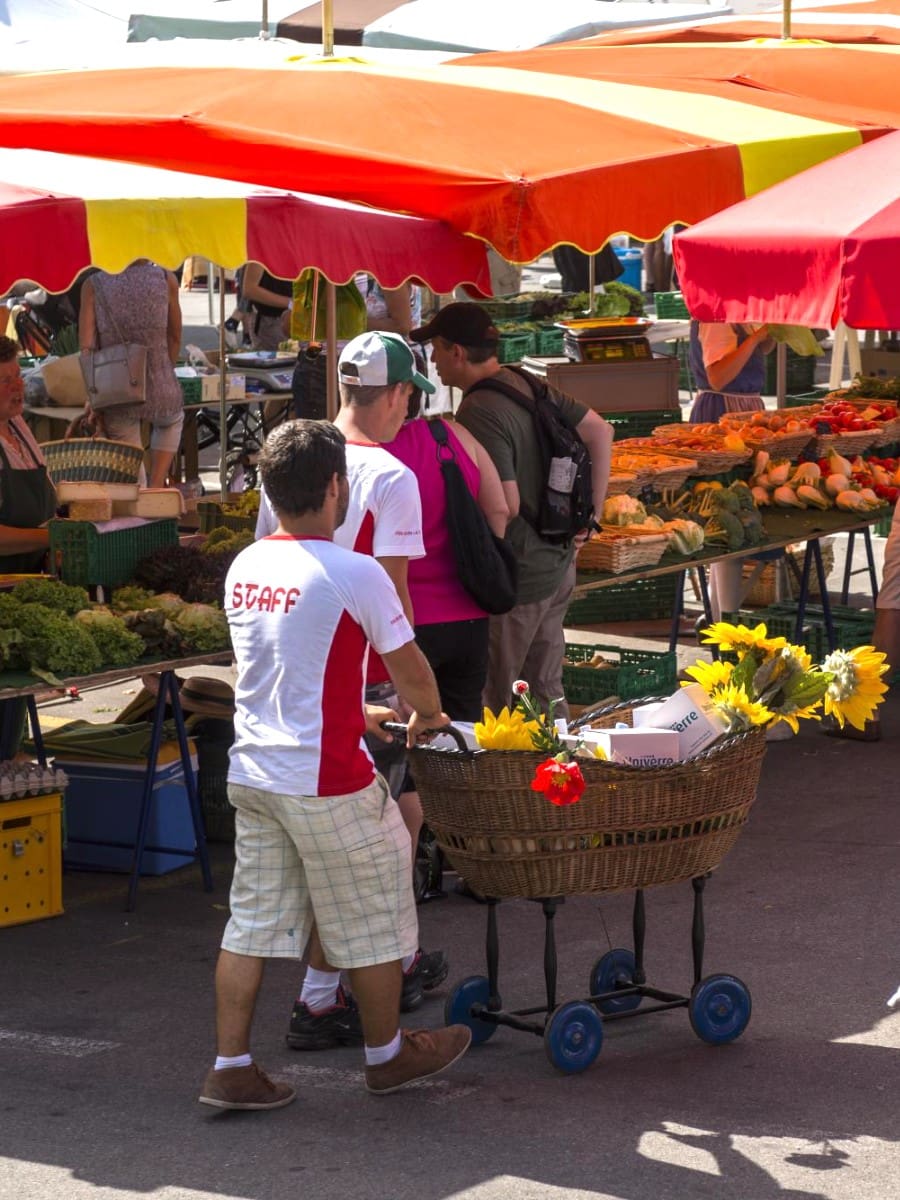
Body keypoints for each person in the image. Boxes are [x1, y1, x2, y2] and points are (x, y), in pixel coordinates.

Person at [199, 419, 470, 1110]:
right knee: (378, 910)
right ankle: (386, 1056)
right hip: (324, 777)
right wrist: (428, 716)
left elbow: (287, 669)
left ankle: (230, 1066)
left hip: (255, 769)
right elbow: (413, 676)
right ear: (333, 486)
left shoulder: (247, 564)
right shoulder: (357, 571)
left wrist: (358, 711)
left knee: (250, 925)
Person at [256, 332, 449, 1045]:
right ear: (396, 394)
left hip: (297, 669)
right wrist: (409, 690)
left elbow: (269, 555)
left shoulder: (291, 456)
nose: (408, 412)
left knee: (384, 824)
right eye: (408, 398)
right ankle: (333, 992)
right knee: (376, 836)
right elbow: (390, 591)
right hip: (363, 670)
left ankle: (390, 960)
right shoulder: (393, 476)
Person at [411, 302, 613, 716]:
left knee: (497, 699)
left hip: (520, 576)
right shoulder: (523, 380)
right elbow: (600, 429)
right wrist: (591, 515)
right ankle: (560, 770)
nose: (432, 359)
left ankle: (500, 778)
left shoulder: (479, 410)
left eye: (435, 348)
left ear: (457, 353)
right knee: (544, 686)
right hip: (557, 562)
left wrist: (487, 568)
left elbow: (506, 504)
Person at [389, 395, 509, 721]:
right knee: (462, 738)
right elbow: (501, 508)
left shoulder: (367, 453)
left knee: (407, 737)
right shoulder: (452, 434)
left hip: (404, 623)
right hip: (468, 617)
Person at [78, 260, 184, 488]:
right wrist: (165, 368)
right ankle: (156, 486)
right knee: (171, 421)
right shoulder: (167, 279)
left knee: (132, 474)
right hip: (162, 388)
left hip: (117, 392)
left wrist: (93, 396)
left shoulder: (94, 285)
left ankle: (142, 495)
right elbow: (175, 336)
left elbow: (87, 349)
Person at [0, 336, 56, 572]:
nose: (18, 386)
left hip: (30, 578)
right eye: (5, 380)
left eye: (18, 376)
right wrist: (51, 538)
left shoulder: (16, 424)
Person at [688, 321, 774, 424]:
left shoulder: (740, 318)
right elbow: (718, 379)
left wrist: (772, 332)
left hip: (747, 405)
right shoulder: (714, 322)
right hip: (722, 407)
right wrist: (755, 338)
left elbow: (762, 350)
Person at [239, 262, 292, 351]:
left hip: (295, 321)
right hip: (270, 323)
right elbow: (249, 290)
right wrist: (291, 303)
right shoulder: (263, 252)